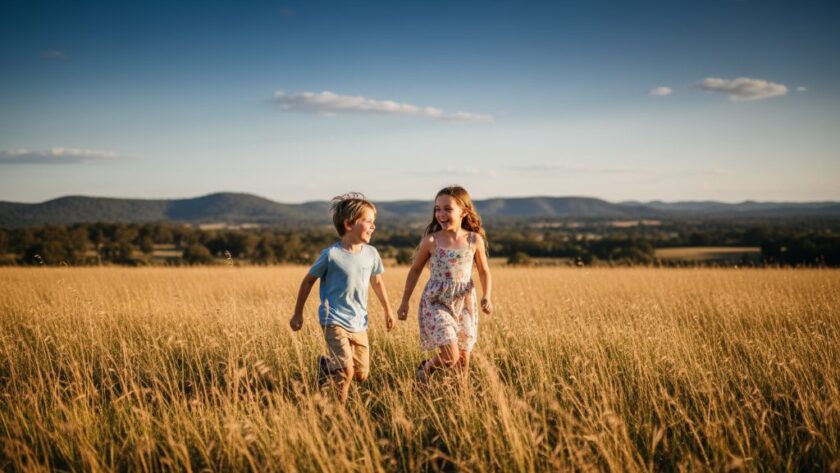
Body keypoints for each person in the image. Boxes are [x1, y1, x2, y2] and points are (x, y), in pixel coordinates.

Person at [290, 193, 396, 403]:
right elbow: (308, 281)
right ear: (349, 224)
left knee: (361, 374)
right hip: (333, 320)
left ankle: (326, 366)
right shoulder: (331, 255)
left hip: (359, 322)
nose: (373, 226)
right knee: (346, 372)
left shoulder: (372, 254)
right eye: (368, 221)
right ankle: (340, 414)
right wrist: (297, 313)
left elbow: (377, 282)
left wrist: (388, 310)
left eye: (373, 222)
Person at [397, 185, 492, 384]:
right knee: (450, 356)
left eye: (447, 209)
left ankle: (461, 400)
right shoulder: (431, 241)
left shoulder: (474, 240)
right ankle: (426, 369)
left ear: (464, 211)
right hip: (436, 301)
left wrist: (486, 296)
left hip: (464, 301)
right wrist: (404, 302)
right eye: (437, 209)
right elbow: (414, 271)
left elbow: (484, 271)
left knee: (463, 358)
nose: (441, 214)